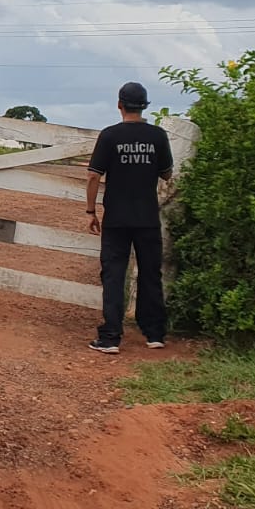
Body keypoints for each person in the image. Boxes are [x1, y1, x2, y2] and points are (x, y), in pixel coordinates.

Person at [85, 81, 173, 354]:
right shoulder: (157, 136)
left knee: (113, 274)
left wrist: (91, 210)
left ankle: (111, 337)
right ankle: (155, 333)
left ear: (119, 105)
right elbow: (167, 173)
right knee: (150, 273)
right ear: (144, 106)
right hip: (147, 217)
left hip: (116, 218)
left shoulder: (110, 136)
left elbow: (93, 176)